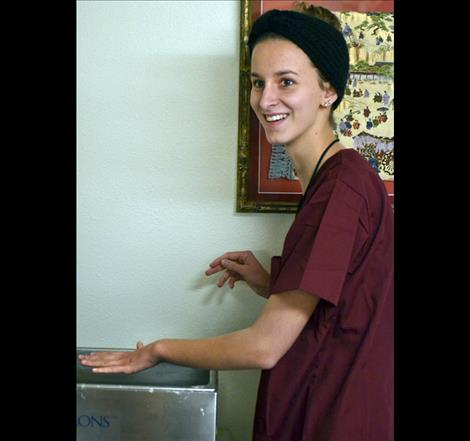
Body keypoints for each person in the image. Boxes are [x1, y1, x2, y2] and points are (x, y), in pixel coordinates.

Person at [79, 6, 394, 441]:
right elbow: (340, 302)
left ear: (327, 91)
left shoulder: (342, 188)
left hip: (334, 417)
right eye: (257, 83)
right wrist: (269, 282)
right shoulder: (339, 178)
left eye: (286, 82)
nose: (265, 100)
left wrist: (159, 350)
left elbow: (265, 346)